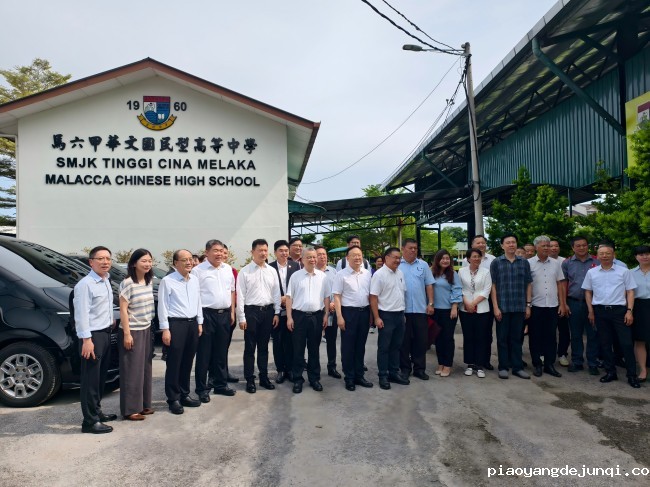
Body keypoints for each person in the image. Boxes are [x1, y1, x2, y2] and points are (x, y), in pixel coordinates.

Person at [582, 242, 639, 388]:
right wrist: (590, 311)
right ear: (597, 256)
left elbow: (630, 291)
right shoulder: (592, 272)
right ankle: (610, 372)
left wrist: (629, 311)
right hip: (600, 311)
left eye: (608, 253)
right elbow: (587, 291)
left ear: (613, 255)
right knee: (605, 343)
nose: (605, 256)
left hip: (620, 311)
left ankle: (632, 375)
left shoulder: (624, 271)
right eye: (601, 253)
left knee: (626, 343)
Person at [74, 246, 117, 434]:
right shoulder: (85, 284)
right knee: (90, 380)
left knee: (100, 378)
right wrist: (86, 340)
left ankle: (97, 412)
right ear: (91, 262)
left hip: (106, 334)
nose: (105, 262)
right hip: (93, 337)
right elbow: (81, 314)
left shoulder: (106, 280)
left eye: (108, 258)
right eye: (100, 258)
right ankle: (89, 422)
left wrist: (110, 319)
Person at [158, 249, 204, 414]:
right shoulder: (167, 281)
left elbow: (198, 301)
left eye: (190, 259)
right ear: (175, 263)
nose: (189, 262)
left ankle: (184, 394)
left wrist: (200, 322)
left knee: (187, 361)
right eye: (184, 260)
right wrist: (165, 329)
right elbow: (163, 305)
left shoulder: (194, 280)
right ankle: (173, 398)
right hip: (176, 324)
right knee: (174, 362)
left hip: (192, 324)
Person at [192, 239, 236, 402]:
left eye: (221, 251)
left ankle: (220, 384)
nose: (219, 254)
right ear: (207, 252)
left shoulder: (227, 269)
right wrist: (199, 320)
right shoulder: (198, 271)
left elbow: (231, 291)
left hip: (224, 315)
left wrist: (232, 312)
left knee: (221, 352)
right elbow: (195, 296)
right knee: (204, 353)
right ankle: (201, 388)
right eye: (215, 250)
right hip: (206, 315)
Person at [237, 239, 281, 393]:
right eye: (260, 250)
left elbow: (276, 293)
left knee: (264, 347)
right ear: (252, 252)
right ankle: (250, 379)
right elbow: (240, 295)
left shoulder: (272, 271)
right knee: (250, 348)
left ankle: (264, 377)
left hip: (268, 312)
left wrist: (277, 312)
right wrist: (241, 317)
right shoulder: (245, 272)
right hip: (251, 312)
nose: (263, 253)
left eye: (265, 250)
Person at [286, 247, 330, 393]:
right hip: (299, 317)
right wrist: (289, 317)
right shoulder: (295, 276)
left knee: (314, 349)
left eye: (314, 257)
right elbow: (289, 298)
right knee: (298, 350)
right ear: (302, 259)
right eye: (309, 257)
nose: (312, 259)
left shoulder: (323, 277)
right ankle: (298, 379)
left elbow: (326, 297)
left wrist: (326, 315)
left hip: (316, 317)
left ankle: (314, 378)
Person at [118, 248, 155, 421]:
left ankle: (144, 404)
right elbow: (123, 310)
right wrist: (127, 334)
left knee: (145, 368)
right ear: (134, 263)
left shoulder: (148, 281)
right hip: (132, 330)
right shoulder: (127, 283)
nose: (147, 264)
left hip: (146, 328)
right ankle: (131, 409)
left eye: (149, 261)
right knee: (132, 370)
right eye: (143, 261)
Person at [490, 234, 533, 380]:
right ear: (502, 246)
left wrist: (528, 305)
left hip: (519, 307)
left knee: (517, 339)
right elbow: (493, 286)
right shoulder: (496, 262)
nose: (511, 245)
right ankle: (503, 367)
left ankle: (517, 367)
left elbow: (528, 284)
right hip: (503, 307)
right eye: (507, 242)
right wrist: (495, 307)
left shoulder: (524, 262)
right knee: (502, 339)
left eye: (513, 242)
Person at [333, 245, 373, 391]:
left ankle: (359, 375)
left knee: (360, 346)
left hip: (364, 312)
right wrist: (339, 316)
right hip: (349, 313)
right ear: (347, 258)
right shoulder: (341, 275)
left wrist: (371, 315)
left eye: (359, 255)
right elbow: (337, 296)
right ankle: (349, 377)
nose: (357, 258)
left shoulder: (367, 274)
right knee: (348, 346)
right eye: (354, 255)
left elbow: (370, 295)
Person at [370, 247, 409, 390]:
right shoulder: (379, 275)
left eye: (399, 258)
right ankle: (383, 376)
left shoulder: (400, 273)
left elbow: (401, 294)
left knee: (396, 346)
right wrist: (376, 317)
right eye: (395, 257)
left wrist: (403, 314)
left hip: (399, 314)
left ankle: (394, 372)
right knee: (384, 347)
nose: (398, 260)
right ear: (386, 258)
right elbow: (373, 297)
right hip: (386, 315)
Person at [527, 236, 566, 378]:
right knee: (535, 336)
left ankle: (549, 364)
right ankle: (537, 364)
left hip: (552, 305)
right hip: (535, 305)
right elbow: (527, 285)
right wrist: (527, 305)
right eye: (543, 246)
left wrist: (562, 304)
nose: (546, 248)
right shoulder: (528, 263)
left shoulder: (556, 263)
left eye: (548, 245)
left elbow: (560, 284)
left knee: (551, 336)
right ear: (536, 247)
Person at [562, 236, 600, 375]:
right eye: (578, 246)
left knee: (593, 334)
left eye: (584, 245)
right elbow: (563, 284)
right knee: (576, 334)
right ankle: (577, 361)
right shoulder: (567, 263)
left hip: (594, 304)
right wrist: (564, 303)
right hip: (574, 302)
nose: (582, 248)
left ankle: (593, 363)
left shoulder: (597, 261)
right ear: (573, 247)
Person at [399, 238, 435, 380]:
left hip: (421, 310)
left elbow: (429, 285)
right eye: (410, 248)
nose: (413, 250)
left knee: (421, 341)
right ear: (403, 249)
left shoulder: (423, 265)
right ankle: (405, 369)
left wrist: (430, 303)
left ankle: (419, 369)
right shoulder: (397, 265)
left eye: (415, 248)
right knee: (404, 341)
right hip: (403, 310)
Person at [269, 240, 300, 384]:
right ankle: (280, 370)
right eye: (281, 250)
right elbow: (267, 288)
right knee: (278, 341)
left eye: (286, 250)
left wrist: (287, 299)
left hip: (292, 310)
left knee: (291, 341)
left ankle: (290, 369)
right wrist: (279, 299)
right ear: (275, 252)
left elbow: (298, 286)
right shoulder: (270, 267)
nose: (284, 253)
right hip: (275, 310)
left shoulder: (295, 266)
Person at [458, 248, 492, 378]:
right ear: (468, 259)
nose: (477, 258)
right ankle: (470, 364)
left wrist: (474, 303)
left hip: (482, 308)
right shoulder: (461, 271)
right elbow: (459, 288)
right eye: (474, 256)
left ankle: (479, 365)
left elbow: (487, 290)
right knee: (468, 337)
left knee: (481, 337)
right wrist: (467, 303)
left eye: (478, 256)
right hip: (465, 308)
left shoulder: (486, 272)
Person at [431, 249, 462, 377]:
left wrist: (454, 307)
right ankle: (440, 363)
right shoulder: (432, 273)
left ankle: (448, 365)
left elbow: (457, 290)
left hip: (449, 311)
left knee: (447, 338)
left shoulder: (453, 274)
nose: (445, 261)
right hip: (435, 311)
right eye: (442, 258)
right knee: (437, 338)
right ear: (437, 260)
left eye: (447, 258)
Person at [315, 245, 341, 378]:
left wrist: (333, 304)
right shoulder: (311, 272)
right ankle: (315, 369)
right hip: (317, 312)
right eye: (319, 254)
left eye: (324, 254)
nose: (322, 257)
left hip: (332, 311)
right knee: (314, 342)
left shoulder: (334, 271)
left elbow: (338, 290)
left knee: (331, 341)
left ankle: (332, 367)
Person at [549, 240, 570, 366]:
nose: (553, 248)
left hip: (561, 301)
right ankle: (546, 354)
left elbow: (563, 284)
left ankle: (562, 354)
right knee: (548, 330)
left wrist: (564, 303)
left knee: (564, 330)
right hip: (546, 302)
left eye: (556, 246)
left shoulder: (564, 262)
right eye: (551, 246)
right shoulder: (536, 262)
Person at [631, 245, 650, 382]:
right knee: (640, 339)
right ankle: (643, 370)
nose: (645, 256)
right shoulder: (630, 273)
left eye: (647, 254)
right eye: (641, 254)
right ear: (636, 257)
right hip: (638, 307)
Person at [223, 243, 240, 383]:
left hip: (229, 313)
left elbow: (235, 292)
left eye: (225, 253)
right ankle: (213, 376)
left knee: (224, 346)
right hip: (211, 314)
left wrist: (233, 312)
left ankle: (224, 372)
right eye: (219, 252)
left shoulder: (231, 270)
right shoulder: (202, 271)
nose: (222, 255)